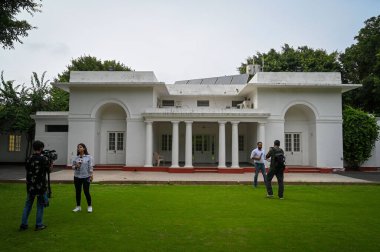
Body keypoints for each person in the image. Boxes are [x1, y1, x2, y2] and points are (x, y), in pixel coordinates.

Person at [19, 140, 50, 231]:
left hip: (30, 185)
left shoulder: (28, 158)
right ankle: (39, 224)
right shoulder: (44, 159)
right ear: (41, 148)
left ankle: (23, 224)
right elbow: (48, 170)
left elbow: (27, 169)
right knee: (40, 205)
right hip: (40, 186)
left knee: (28, 205)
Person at [72, 143, 94, 213]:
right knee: (78, 192)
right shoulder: (76, 158)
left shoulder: (89, 157)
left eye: (81, 147)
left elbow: (90, 167)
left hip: (86, 177)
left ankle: (89, 206)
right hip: (77, 177)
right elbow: (72, 166)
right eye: (78, 147)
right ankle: (78, 206)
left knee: (86, 191)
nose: (79, 148)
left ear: (84, 148)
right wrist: (76, 166)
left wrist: (91, 175)